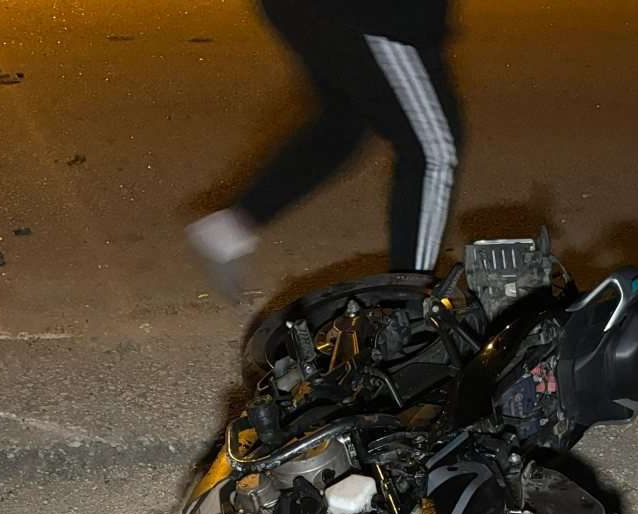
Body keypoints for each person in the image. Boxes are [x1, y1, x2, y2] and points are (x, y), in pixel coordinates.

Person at [187, 0, 460, 299]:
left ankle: (232, 226)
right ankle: (409, 301)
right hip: (376, 15)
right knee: (432, 151)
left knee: (344, 119)